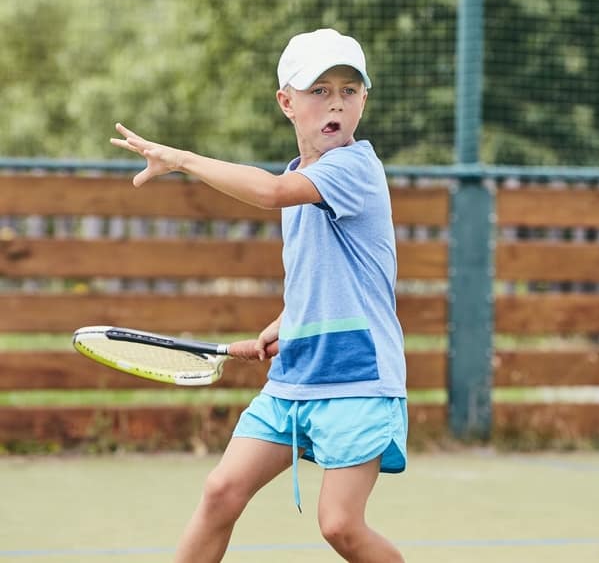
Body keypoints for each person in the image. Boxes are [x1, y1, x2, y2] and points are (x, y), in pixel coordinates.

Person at [111, 28, 408, 563]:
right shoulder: (303, 175)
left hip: (358, 378)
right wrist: (285, 322)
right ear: (286, 102)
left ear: (364, 98)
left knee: (340, 525)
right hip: (295, 380)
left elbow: (270, 192)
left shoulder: (355, 168)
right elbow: (322, 275)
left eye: (349, 90)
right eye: (319, 91)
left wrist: (181, 159)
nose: (335, 103)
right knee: (221, 492)